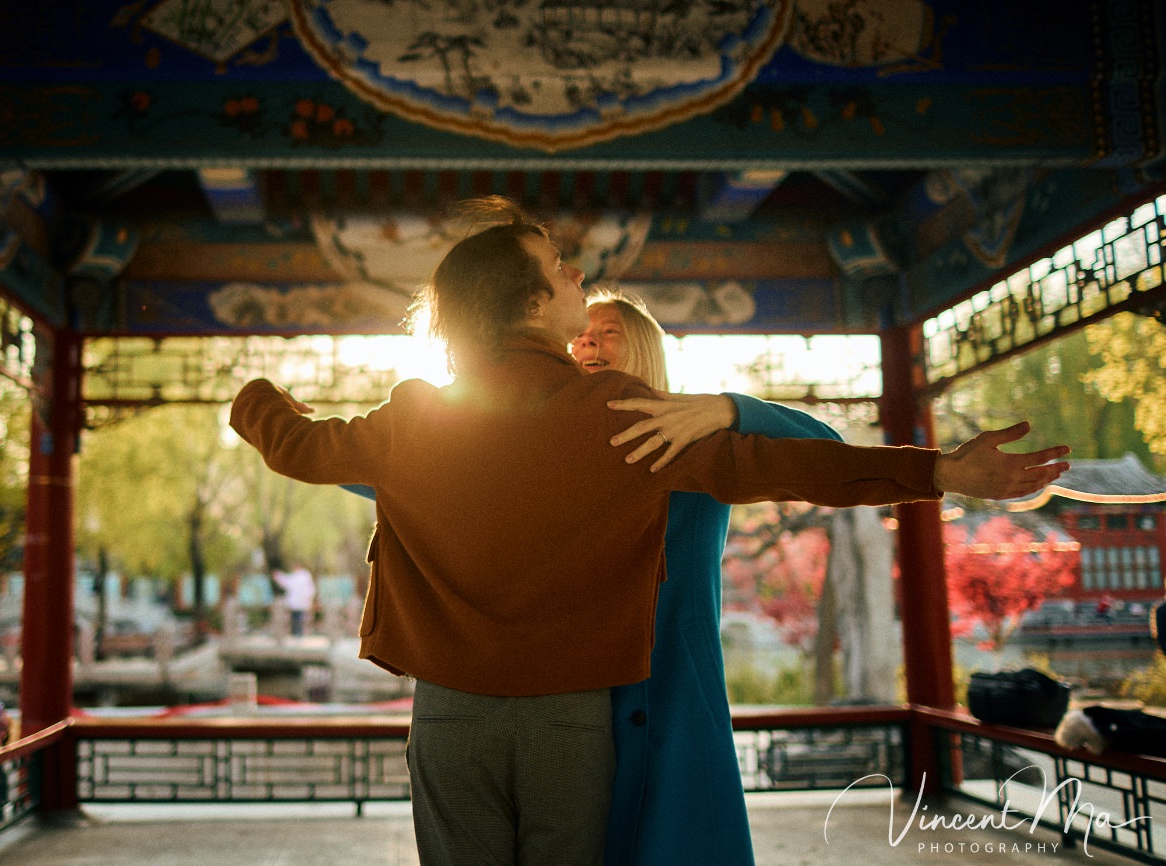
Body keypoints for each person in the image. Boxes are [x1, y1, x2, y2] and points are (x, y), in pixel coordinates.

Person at [230, 196, 1069, 865]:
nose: (578, 273)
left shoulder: (415, 421)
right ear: (530, 302)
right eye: (561, 269)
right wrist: (938, 472)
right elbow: (781, 469)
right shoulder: (622, 420)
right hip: (572, 718)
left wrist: (258, 398)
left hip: (449, 717)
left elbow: (299, 446)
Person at [572, 291, 844, 865]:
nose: (587, 339)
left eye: (608, 330)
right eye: (578, 332)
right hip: (575, 704)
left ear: (645, 347)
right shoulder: (547, 452)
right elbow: (427, 483)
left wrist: (727, 409)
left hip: (675, 693)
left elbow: (829, 451)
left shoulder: (699, 439)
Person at [273, 565, 317, 636]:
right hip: (297, 602)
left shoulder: (303, 576)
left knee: (299, 618)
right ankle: (296, 633)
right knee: (296, 618)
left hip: (301, 602)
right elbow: (287, 582)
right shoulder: (296, 576)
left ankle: (298, 633)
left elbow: (286, 582)